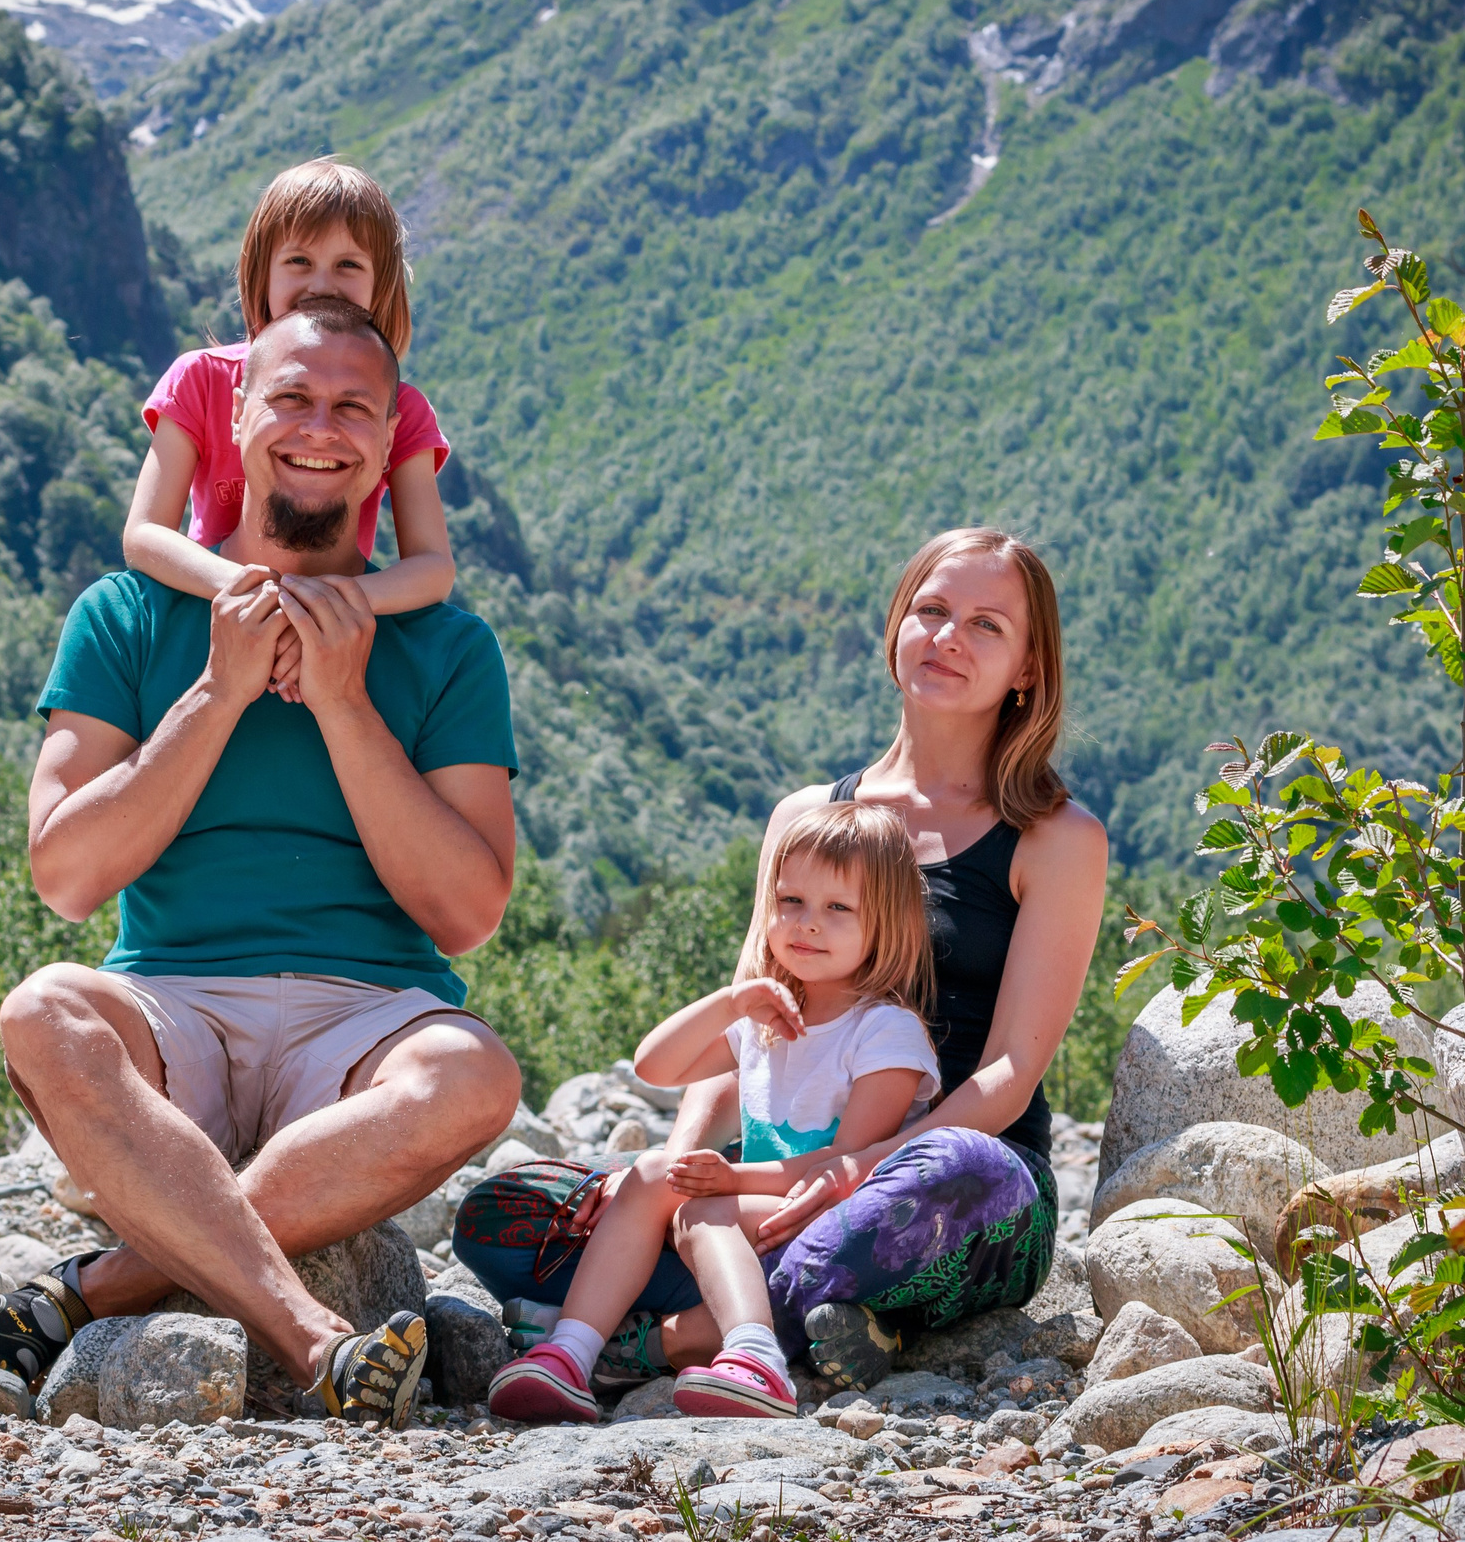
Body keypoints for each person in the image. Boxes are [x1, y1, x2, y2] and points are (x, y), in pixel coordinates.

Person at [0, 297, 523, 1428]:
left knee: (475, 1076)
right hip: (169, 1006)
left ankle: (100, 1286)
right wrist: (219, 691)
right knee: (44, 1011)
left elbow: (466, 912)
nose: (318, 426)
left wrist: (343, 705)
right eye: (290, 396)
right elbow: (65, 876)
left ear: (391, 443)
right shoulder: (128, 615)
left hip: (367, 1025)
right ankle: (311, 1335)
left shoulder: (448, 644)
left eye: (352, 407)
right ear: (235, 416)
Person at [452, 527, 1109, 1391]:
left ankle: (670, 1336)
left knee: (955, 1179)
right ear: (896, 628)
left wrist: (851, 1172)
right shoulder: (806, 817)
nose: (949, 636)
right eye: (933, 609)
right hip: (763, 1185)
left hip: (939, 1186)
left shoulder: (1057, 839)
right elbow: (752, 1024)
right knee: (503, 1212)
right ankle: (816, 1317)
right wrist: (681, 1177)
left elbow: (1011, 1074)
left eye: (987, 625)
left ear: (1028, 667)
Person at [485, 802, 940, 1424]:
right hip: (756, 1207)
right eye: (791, 901)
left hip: (835, 1217)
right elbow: (654, 1067)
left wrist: (730, 1180)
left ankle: (757, 1359)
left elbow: (847, 1168)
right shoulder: (766, 1023)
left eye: (839, 909)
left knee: (699, 1209)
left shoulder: (885, 1031)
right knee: (650, 1174)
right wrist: (731, 1002)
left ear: (885, 924)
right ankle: (570, 1353)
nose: (807, 925)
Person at [124, 158, 454, 700]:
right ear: (262, 274)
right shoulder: (201, 379)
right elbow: (143, 536)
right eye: (299, 260)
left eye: (349, 265)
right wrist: (260, 599)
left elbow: (433, 566)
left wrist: (322, 609)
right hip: (211, 607)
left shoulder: (401, 409)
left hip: (326, 628)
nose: (321, 284)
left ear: (382, 285)